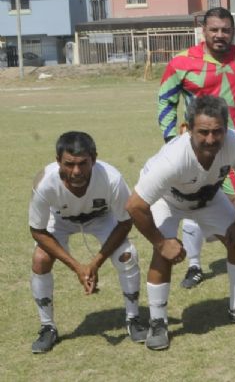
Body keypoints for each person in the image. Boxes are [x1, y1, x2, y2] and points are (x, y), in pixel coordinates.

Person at [126, 96, 235, 350]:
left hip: (208, 197)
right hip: (168, 200)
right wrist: (161, 242)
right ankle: (158, 322)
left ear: (226, 128)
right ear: (188, 130)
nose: (211, 139)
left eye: (217, 131)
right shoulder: (173, 159)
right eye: (204, 132)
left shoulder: (234, 142)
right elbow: (134, 205)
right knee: (162, 255)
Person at [157, 7, 235, 290]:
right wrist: (173, 140)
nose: (220, 35)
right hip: (198, 150)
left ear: (232, 31)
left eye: (225, 30)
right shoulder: (182, 62)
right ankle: (194, 265)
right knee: (195, 200)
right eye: (214, 29)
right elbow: (165, 101)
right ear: (203, 31)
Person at [28, 132, 146, 353]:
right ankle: (47, 327)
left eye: (83, 163)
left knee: (127, 255)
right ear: (58, 161)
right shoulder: (44, 182)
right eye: (69, 164)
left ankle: (133, 318)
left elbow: (124, 222)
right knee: (41, 258)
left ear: (94, 158)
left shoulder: (111, 178)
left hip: (100, 218)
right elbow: (37, 230)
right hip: (60, 219)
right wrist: (77, 267)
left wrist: (95, 263)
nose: (76, 171)